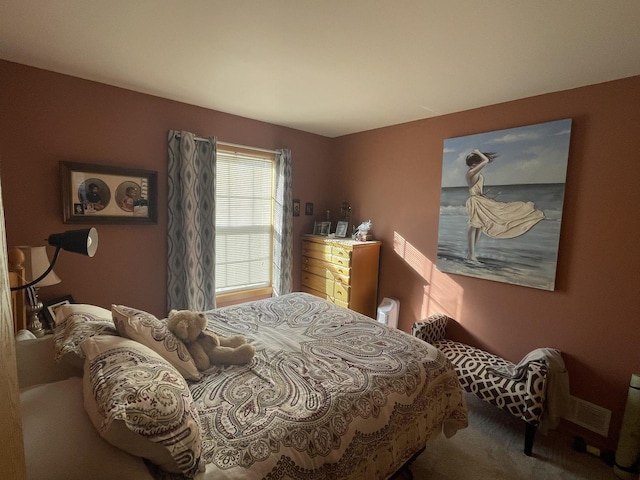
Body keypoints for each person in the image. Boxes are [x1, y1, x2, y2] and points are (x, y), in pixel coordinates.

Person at [465, 149, 544, 262]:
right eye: (477, 163)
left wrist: (486, 196)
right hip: (475, 201)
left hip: (480, 199)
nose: (478, 165)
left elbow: (478, 190)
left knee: (478, 227)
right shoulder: (471, 172)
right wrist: (478, 152)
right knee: (474, 226)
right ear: (473, 164)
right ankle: (471, 254)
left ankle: (471, 254)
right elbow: (486, 160)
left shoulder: (474, 172)